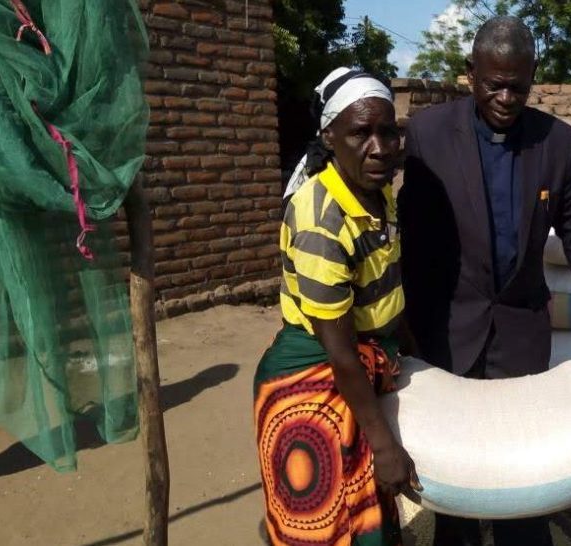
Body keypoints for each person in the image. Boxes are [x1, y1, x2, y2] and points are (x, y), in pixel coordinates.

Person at [398, 15, 571, 546]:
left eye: (518, 85)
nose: (506, 96)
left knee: (523, 470)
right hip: (448, 326)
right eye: (494, 83)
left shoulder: (555, 142)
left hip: (519, 328)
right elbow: (412, 236)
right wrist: (399, 324)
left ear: (533, 76)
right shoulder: (428, 133)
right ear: (471, 72)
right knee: (458, 472)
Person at [254, 67, 420, 546]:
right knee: (325, 525)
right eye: (360, 132)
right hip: (315, 383)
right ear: (329, 137)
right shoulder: (319, 218)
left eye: (388, 131)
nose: (379, 147)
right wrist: (384, 444)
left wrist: (413, 352)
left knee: (371, 519)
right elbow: (341, 352)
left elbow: (386, 289)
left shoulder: (376, 192)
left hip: (359, 367)